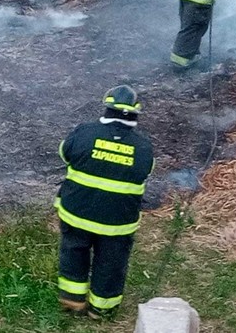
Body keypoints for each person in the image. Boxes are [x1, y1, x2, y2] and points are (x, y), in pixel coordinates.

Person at [55, 85, 155, 318]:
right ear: (135, 114)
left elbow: (65, 153)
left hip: (77, 212)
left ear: (107, 107)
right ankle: (102, 308)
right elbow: (147, 170)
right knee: (111, 262)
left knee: (74, 251)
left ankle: (72, 300)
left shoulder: (84, 133)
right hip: (117, 222)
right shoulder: (143, 147)